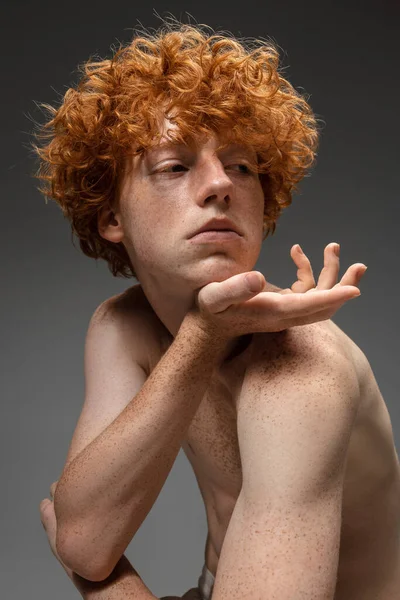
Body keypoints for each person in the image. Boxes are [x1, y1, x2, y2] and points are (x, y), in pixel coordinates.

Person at [36, 19, 399, 600]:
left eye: (242, 166)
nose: (219, 185)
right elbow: (84, 539)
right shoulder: (123, 328)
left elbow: (82, 558)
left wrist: (110, 591)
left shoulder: (301, 372)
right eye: (175, 167)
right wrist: (202, 336)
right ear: (110, 218)